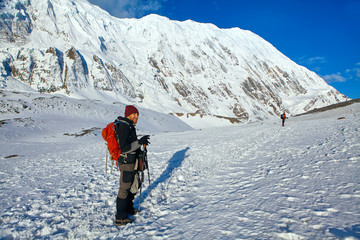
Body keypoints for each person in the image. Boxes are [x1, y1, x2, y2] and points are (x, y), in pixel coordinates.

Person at [113, 105, 150, 225]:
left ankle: (128, 208)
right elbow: (124, 148)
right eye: (135, 114)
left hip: (132, 161)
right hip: (126, 162)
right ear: (129, 114)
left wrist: (140, 145)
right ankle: (120, 217)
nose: (137, 117)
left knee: (133, 185)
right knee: (124, 188)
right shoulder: (124, 126)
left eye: (137, 114)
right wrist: (139, 142)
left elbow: (131, 143)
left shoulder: (129, 125)